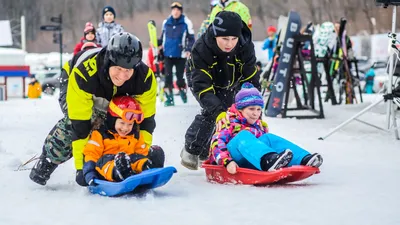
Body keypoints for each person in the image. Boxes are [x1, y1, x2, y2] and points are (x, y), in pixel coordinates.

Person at [29, 32, 158, 187]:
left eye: (128, 70)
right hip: (73, 81)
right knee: (85, 123)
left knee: (124, 122)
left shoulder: (145, 79)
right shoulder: (84, 75)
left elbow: (145, 122)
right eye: (118, 68)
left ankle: (114, 163)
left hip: (113, 96)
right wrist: (81, 168)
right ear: (110, 62)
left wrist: (140, 155)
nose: (123, 76)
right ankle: (48, 162)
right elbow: (80, 124)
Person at [181, 11, 260, 170]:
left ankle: (217, 150)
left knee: (236, 112)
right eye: (224, 39)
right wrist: (218, 111)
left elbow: (250, 77)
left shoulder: (245, 46)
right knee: (216, 111)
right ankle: (191, 149)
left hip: (232, 77)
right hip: (202, 78)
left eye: (233, 39)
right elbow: (202, 86)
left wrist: (253, 107)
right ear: (216, 35)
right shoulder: (202, 48)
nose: (229, 44)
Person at [210, 82, 323, 174]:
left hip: (252, 160)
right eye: (251, 109)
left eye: (259, 109)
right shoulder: (229, 122)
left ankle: (303, 158)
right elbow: (216, 144)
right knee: (243, 135)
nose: (256, 113)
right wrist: (227, 162)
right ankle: (267, 160)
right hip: (233, 160)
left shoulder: (259, 126)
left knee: (268, 137)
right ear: (240, 110)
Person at [83, 96, 164, 185]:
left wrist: (145, 159)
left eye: (130, 124)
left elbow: (141, 153)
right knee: (105, 162)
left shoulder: (135, 135)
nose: (125, 128)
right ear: (113, 120)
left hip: (129, 163)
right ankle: (119, 172)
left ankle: (150, 166)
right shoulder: (100, 134)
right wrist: (89, 173)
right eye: (122, 123)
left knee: (136, 158)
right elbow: (91, 154)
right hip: (106, 168)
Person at [160, 2, 195, 106]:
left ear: (181, 11)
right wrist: (157, 43)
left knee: (180, 78)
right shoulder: (166, 22)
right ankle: (169, 99)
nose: (175, 12)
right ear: (171, 11)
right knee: (168, 77)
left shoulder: (186, 22)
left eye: (178, 10)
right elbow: (162, 38)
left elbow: (191, 38)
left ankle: (182, 91)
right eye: (174, 10)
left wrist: (189, 49)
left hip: (181, 54)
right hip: (167, 54)